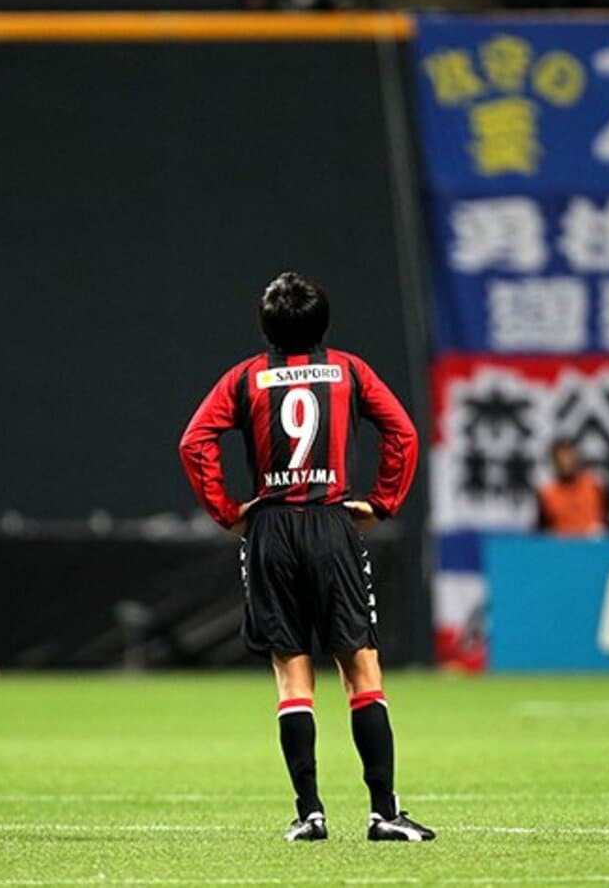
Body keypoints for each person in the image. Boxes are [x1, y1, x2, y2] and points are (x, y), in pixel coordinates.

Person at [178, 272, 435, 843]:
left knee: (292, 677)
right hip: (331, 522)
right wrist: (384, 502)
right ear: (323, 325)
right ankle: (384, 812)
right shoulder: (348, 370)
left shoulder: (248, 377)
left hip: (270, 530)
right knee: (361, 669)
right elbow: (405, 434)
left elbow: (194, 442)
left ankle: (310, 813)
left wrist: (228, 511)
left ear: (266, 326)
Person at [536, 437, 607, 537]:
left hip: (591, 544)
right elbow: (541, 530)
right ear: (554, 461)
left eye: (569, 456)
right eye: (561, 457)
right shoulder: (547, 493)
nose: (566, 462)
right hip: (562, 546)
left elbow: (608, 520)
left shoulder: (594, 485)